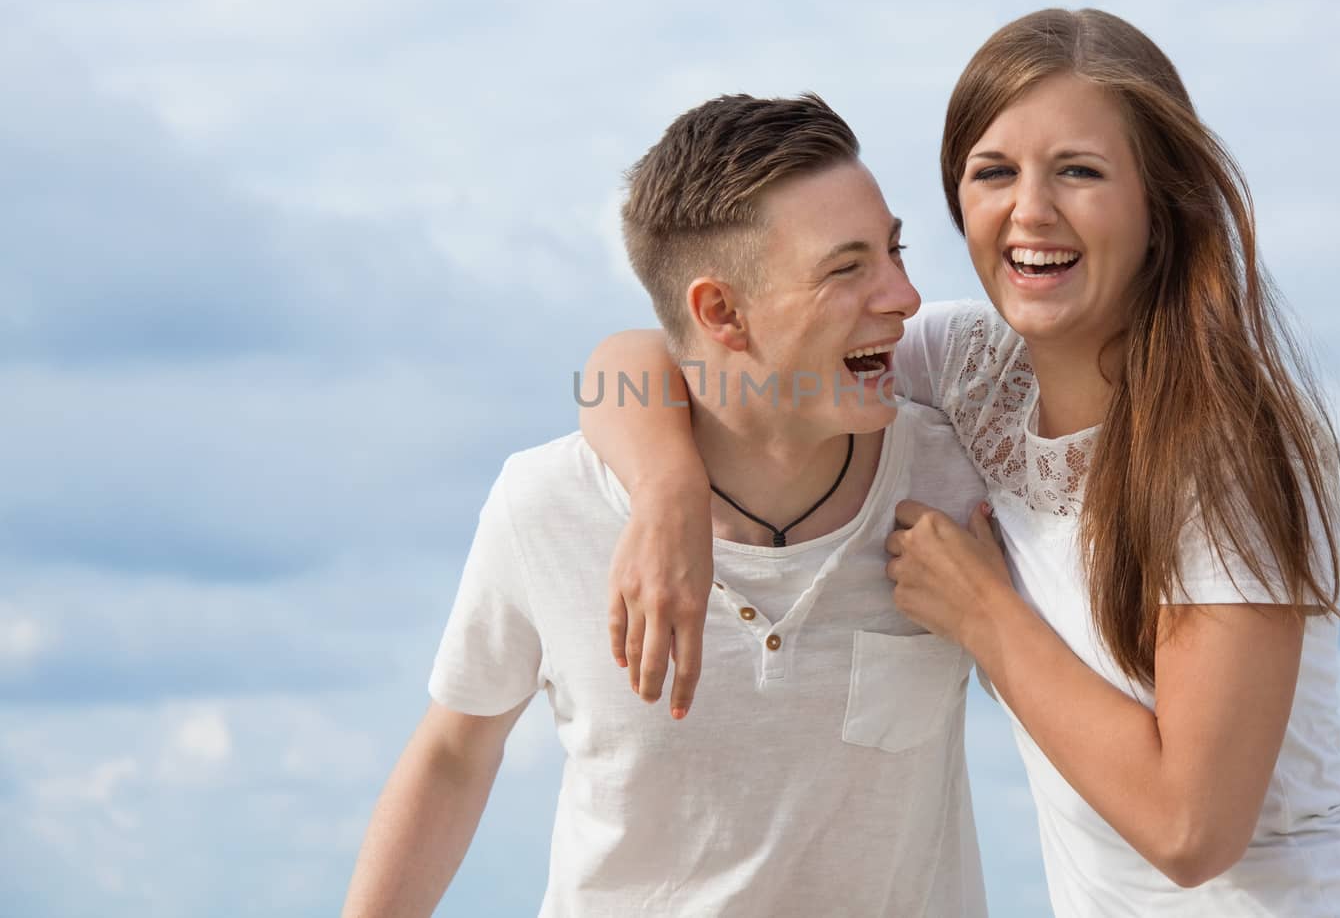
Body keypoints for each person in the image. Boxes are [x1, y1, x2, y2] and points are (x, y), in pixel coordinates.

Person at [581, 10, 1340, 916]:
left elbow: (1191, 829)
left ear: (1161, 204)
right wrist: (667, 494)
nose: (1030, 211)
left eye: (1080, 172)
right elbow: (662, 355)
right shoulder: (968, 369)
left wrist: (986, 613)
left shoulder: (1221, 451)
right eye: (993, 173)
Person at [340, 93, 993, 917]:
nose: (903, 294)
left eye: (894, 250)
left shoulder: (958, 483)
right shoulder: (548, 504)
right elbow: (453, 755)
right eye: (847, 267)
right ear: (720, 312)